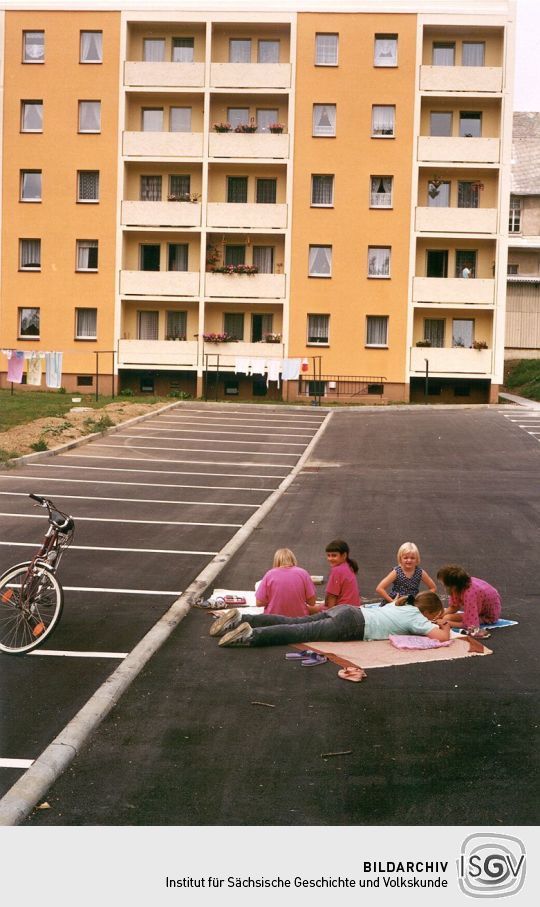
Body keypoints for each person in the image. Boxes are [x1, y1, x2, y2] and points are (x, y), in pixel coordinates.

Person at [211, 591, 452, 648]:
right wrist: (444, 624)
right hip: (353, 625)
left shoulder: (401, 603)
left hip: (348, 611)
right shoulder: (417, 617)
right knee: (300, 633)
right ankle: (251, 635)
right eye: (436, 615)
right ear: (429, 613)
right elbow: (442, 637)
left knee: (295, 623)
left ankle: (243, 617)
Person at [437, 565, 501, 636]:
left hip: (487, 616)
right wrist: (440, 615)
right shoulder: (459, 584)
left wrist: (446, 623)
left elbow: (471, 625)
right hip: (480, 609)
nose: (443, 586)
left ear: (452, 585)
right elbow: (454, 606)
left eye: (443, 584)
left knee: (446, 620)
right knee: (446, 617)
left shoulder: (470, 594)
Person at [253, 548, 316, 618]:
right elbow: (312, 602)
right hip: (299, 620)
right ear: (293, 559)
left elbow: (259, 602)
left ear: (276, 561)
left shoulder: (269, 574)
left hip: (274, 620)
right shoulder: (303, 573)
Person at [320, 538, 360, 609]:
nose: (330, 558)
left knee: (308, 609)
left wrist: (330, 615)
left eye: (334, 555)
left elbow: (332, 596)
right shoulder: (349, 566)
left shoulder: (337, 570)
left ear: (344, 555)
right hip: (353, 609)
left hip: (341, 611)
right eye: (328, 555)